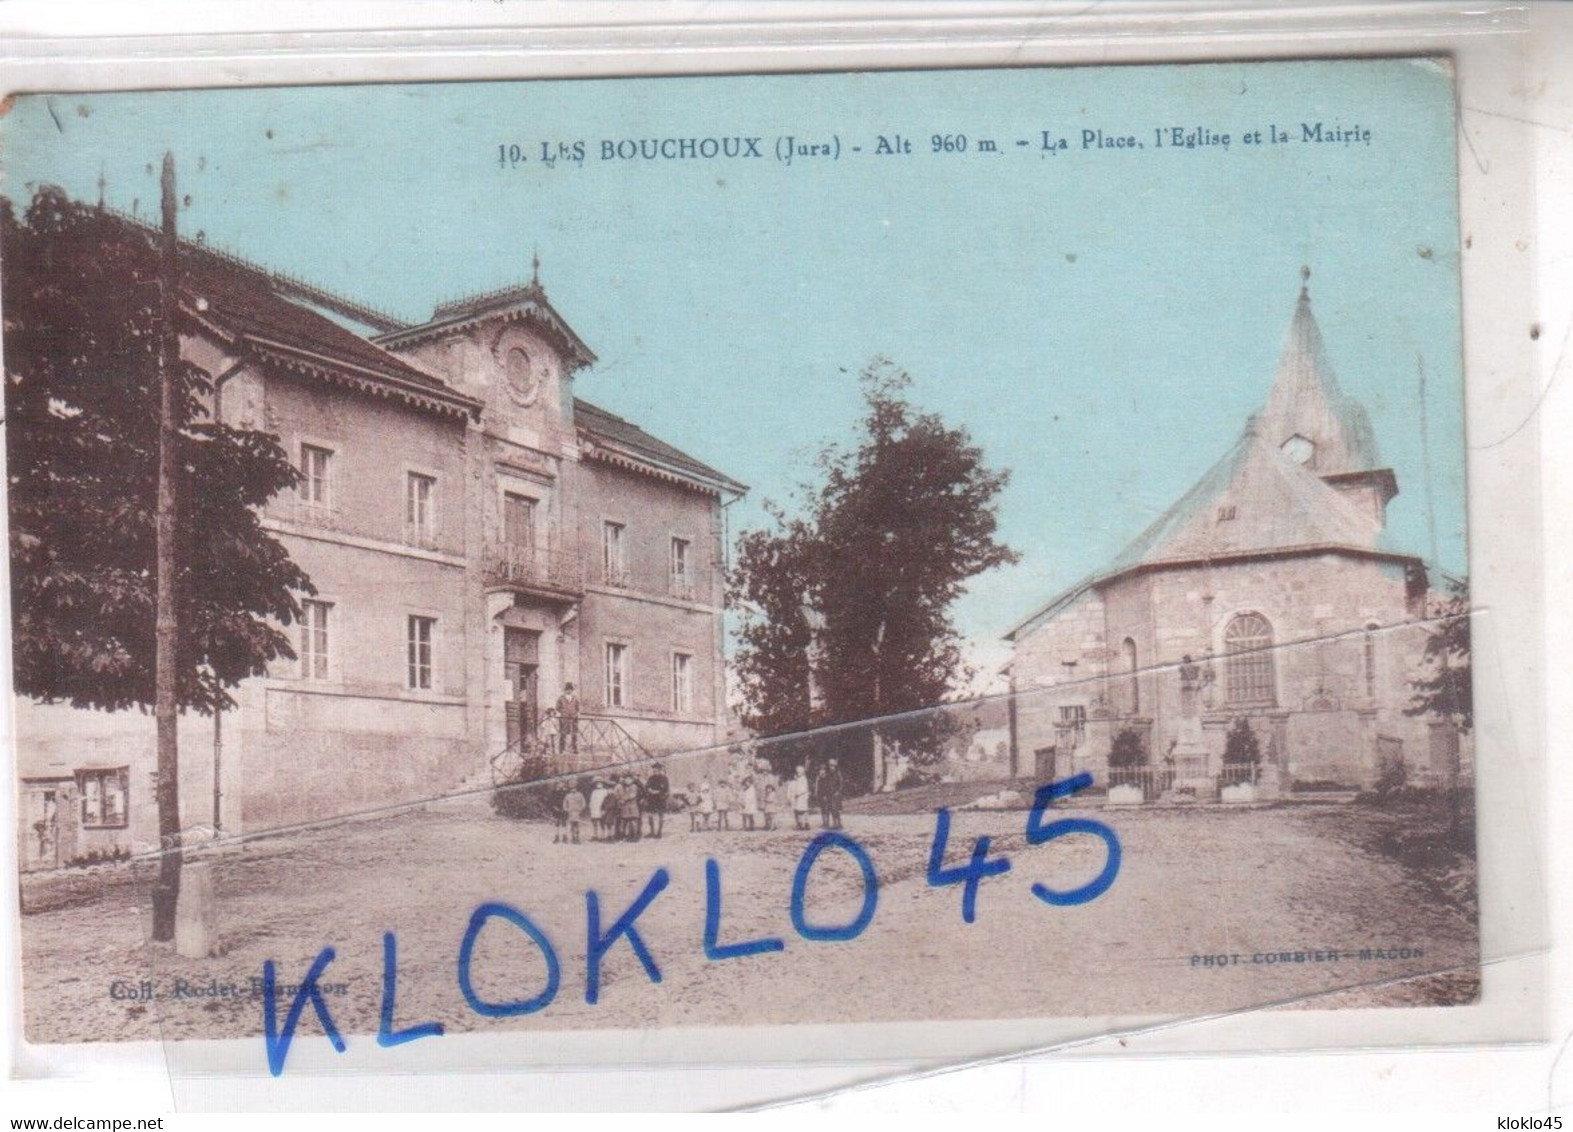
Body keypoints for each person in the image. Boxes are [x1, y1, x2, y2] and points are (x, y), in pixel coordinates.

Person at [815, 758, 845, 830]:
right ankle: (826, 823)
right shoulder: (827, 773)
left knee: (835, 809)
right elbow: (823, 782)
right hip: (828, 793)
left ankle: (837, 824)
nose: (832, 767)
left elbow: (841, 783)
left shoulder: (838, 773)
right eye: (830, 765)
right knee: (826, 809)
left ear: (836, 765)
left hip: (835, 794)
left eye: (833, 765)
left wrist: (838, 791)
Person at [645, 764, 670, 839]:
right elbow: (647, 786)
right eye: (653, 769)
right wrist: (649, 790)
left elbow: (666, 789)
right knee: (650, 815)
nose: (654, 770)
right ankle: (652, 832)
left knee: (661, 815)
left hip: (660, 799)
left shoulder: (664, 778)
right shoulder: (651, 778)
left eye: (656, 769)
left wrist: (658, 792)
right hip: (652, 799)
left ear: (659, 769)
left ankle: (659, 832)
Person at [555, 682, 581, 755]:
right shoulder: (561, 698)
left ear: (572, 690)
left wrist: (576, 714)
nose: (569, 691)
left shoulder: (575, 698)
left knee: (574, 734)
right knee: (563, 734)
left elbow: (578, 708)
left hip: (573, 718)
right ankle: (561, 749)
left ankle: (574, 749)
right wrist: (561, 714)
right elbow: (557, 708)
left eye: (570, 689)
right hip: (564, 718)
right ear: (565, 690)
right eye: (567, 689)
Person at [787, 765, 811, 830]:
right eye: (797, 772)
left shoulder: (804, 779)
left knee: (803, 811)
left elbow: (804, 789)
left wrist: (798, 793)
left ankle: (805, 823)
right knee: (797, 811)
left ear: (802, 772)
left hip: (802, 797)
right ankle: (799, 824)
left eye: (799, 772)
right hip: (797, 798)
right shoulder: (797, 779)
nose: (798, 774)